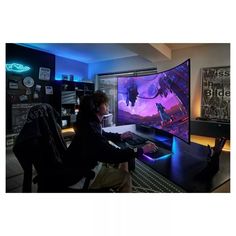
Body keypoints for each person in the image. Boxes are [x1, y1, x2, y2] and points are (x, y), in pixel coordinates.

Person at [64, 90, 158, 192]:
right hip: (82, 176)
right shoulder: (91, 131)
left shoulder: (90, 123)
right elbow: (113, 155)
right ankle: (122, 183)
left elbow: (103, 134)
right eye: (105, 104)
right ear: (96, 107)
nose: (108, 105)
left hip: (82, 166)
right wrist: (142, 150)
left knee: (124, 158)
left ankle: (118, 185)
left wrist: (120, 136)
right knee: (125, 177)